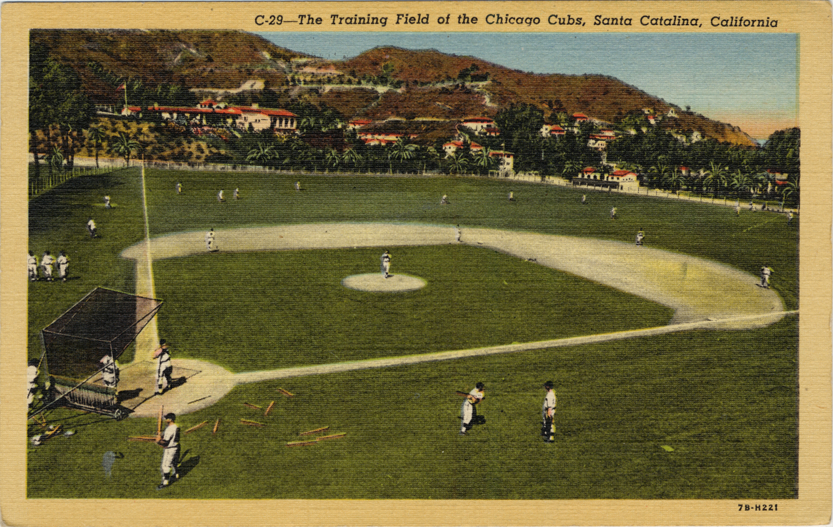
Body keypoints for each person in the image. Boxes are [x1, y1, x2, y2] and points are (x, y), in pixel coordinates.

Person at [155, 413, 181, 490]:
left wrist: (158, 441)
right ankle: (176, 475)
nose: (165, 420)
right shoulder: (175, 426)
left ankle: (165, 482)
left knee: (165, 466)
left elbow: (165, 442)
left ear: (170, 419)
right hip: (175, 447)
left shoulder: (170, 429)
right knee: (173, 462)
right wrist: (160, 435)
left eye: (167, 418)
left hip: (170, 449)